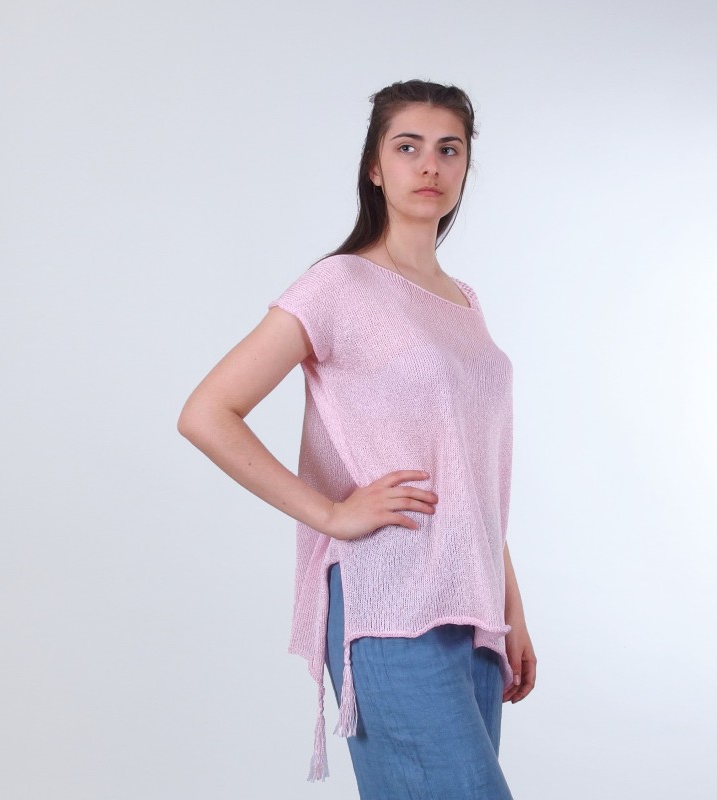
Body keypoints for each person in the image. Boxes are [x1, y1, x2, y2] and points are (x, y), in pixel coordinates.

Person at [177, 78, 536, 799]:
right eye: (408, 147)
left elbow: (470, 472)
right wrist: (332, 514)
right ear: (375, 166)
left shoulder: (464, 302)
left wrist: (511, 606)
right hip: (389, 599)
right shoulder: (339, 285)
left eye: (449, 149)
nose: (429, 165)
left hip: (471, 606)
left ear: (466, 167)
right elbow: (207, 412)